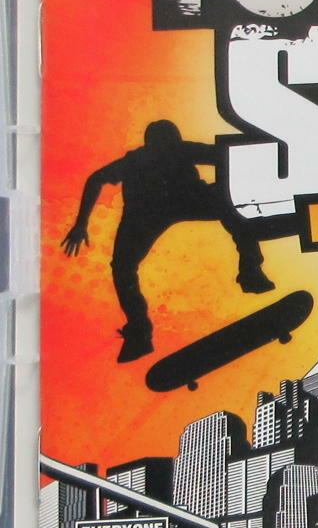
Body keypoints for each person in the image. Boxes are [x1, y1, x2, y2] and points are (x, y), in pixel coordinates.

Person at [61, 120, 273, 362]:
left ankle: (140, 330)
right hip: (156, 209)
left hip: (160, 207)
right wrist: (80, 223)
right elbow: (228, 158)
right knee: (232, 205)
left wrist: (81, 224)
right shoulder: (163, 153)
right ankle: (250, 270)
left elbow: (96, 178)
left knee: (123, 267)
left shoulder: (148, 157)